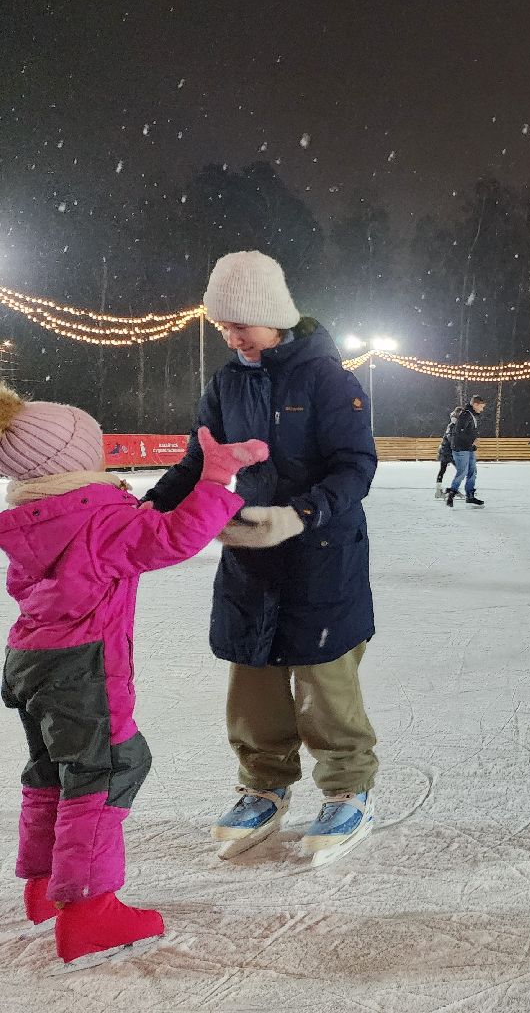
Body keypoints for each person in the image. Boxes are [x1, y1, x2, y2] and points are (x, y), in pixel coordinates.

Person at [0, 385, 266, 966]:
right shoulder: (97, 520)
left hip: (30, 659)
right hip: (83, 666)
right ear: (73, 464)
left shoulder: (36, 515)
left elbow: (108, 540)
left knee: (53, 769)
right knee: (111, 767)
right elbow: (171, 538)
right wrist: (216, 481)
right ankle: (89, 911)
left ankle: (45, 887)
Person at [143, 251, 382, 864]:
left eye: (238, 321)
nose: (229, 333)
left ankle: (347, 788)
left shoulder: (328, 380)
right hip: (249, 550)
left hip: (321, 553)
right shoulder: (226, 384)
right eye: (221, 323)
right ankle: (264, 784)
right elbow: (198, 463)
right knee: (253, 677)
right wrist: (149, 509)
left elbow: (355, 468)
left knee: (326, 680)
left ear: (272, 315)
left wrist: (298, 515)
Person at [443, 396, 487, 506]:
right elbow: (459, 432)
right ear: (475, 405)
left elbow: (469, 431)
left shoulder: (472, 415)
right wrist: (472, 440)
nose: (482, 409)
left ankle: (470, 495)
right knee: (462, 472)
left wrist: (472, 443)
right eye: (481, 407)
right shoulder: (465, 415)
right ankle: (451, 494)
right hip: (460, 448)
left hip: (468, 447)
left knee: (472, 471)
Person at [434, 406, 463, 498]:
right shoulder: (453, 425)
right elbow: (451, 439)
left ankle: (439, 491)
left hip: (445, 451)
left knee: (443, 470)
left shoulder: (455, 425)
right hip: (448, 452)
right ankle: (452, 490)